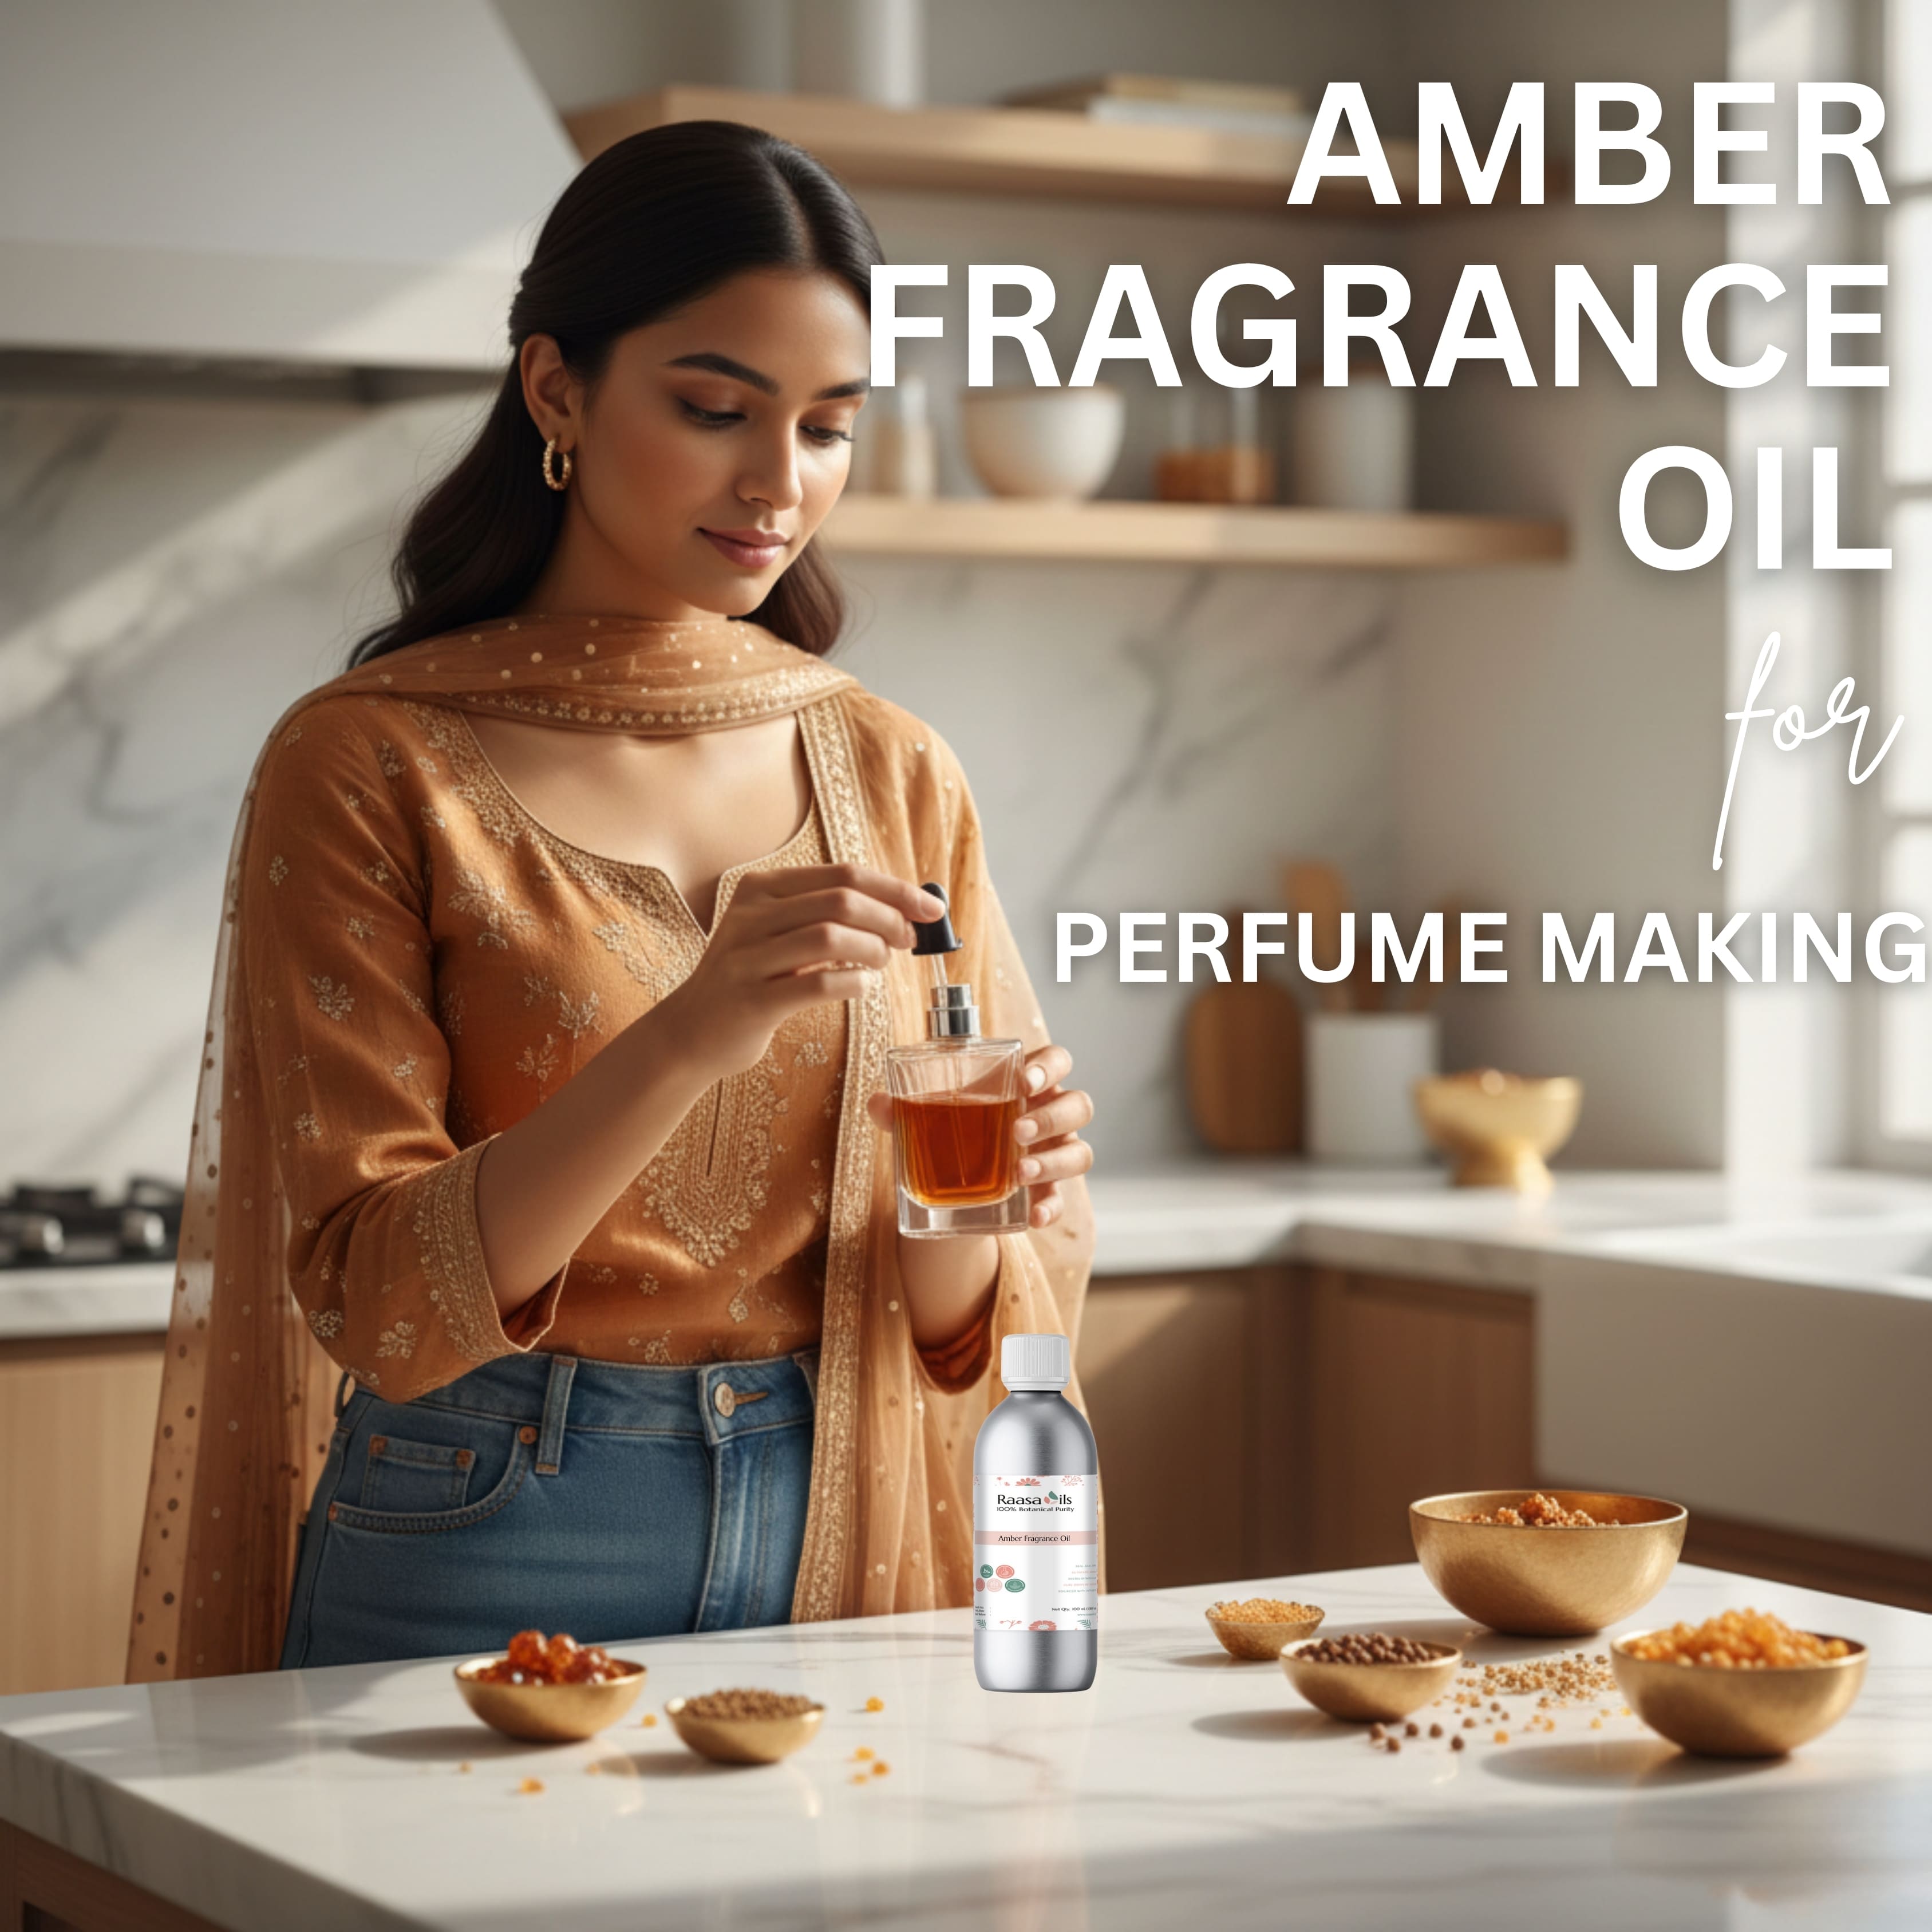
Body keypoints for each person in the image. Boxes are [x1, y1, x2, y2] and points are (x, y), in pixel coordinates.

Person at [127, 121, 1095, 1681]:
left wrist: (982, 1194)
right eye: (715, 409)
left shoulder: (890, 765)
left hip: (833, 1538)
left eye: (831, 425)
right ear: (557, 389)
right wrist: (690, 1029)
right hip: (487, 1523)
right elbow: (380, 1304)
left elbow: (961, 1324)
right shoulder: (374, 762)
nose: (780, 482)